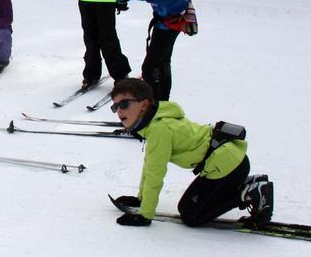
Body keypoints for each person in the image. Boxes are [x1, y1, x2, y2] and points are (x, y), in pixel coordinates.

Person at [108, 77, 274, 228]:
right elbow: (149, 164)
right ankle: (248, 184)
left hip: (227, 166)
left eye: (124, 104)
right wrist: (141, 199)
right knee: (189, 207)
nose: (119, 111)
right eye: (115, 107)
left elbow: (155, 173)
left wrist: (145, 214)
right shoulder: (155, 123)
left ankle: (250, 191)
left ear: (144, 105)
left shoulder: (159, 129)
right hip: (225, 163)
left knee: (191, 215)